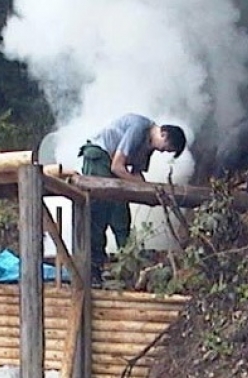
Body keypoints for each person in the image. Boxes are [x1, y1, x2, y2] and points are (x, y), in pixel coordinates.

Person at [79, 114, 187, 285]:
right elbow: (117, 166)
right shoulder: (139, 128)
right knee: (99, 213)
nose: (163, 151)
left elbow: (136, 175)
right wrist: (146, 188)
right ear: (164, 134)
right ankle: (93, 269)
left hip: (114, 167)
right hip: (99, 156)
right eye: (166, 148)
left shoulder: (149, 147)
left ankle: (128, 267)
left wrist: (153, 193)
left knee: (121, 215)